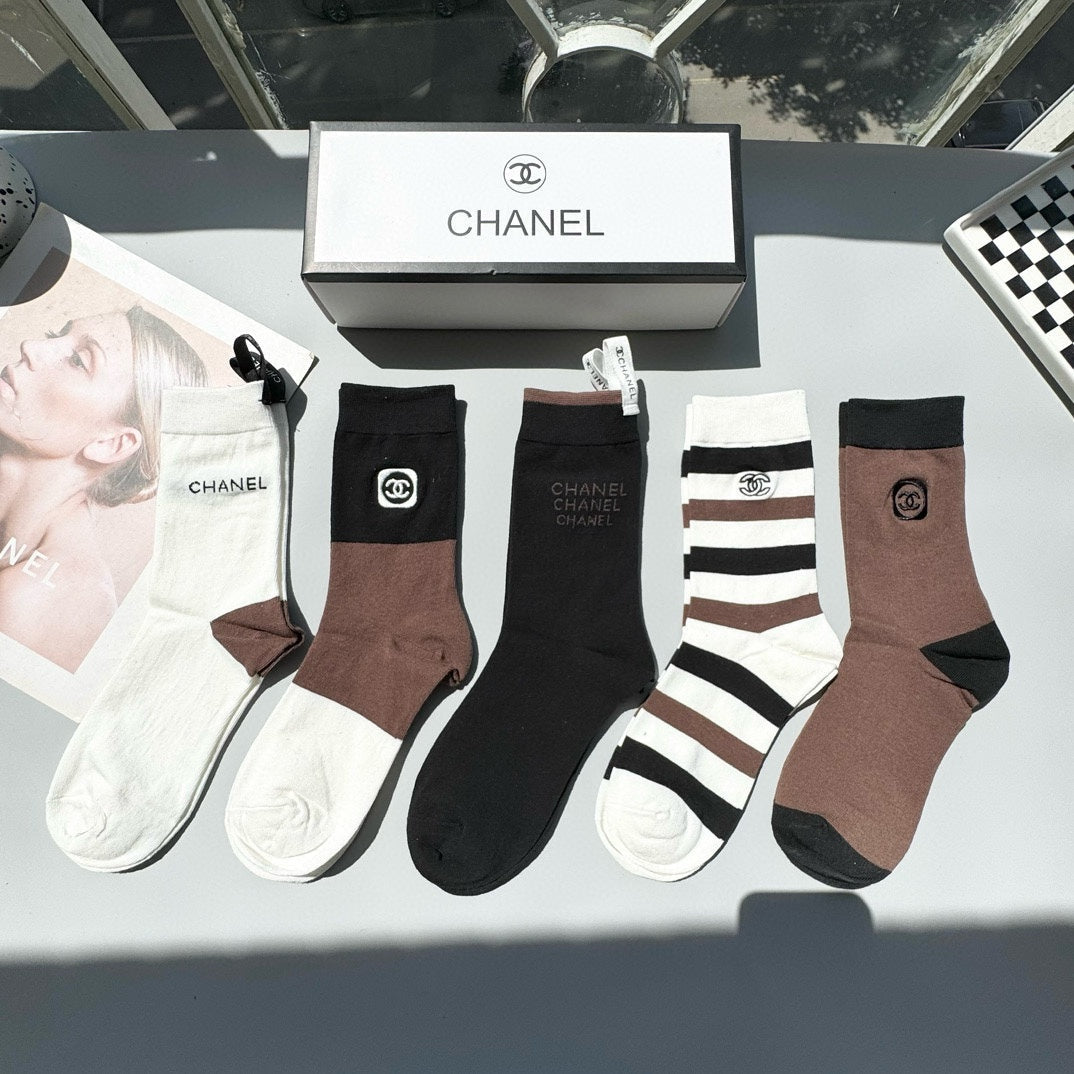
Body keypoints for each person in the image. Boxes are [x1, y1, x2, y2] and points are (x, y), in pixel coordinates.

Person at [0, 305, 208, 671]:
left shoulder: (35, 602)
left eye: (78, 361)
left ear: (112, 444)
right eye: (54, 336)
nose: (30, 347)